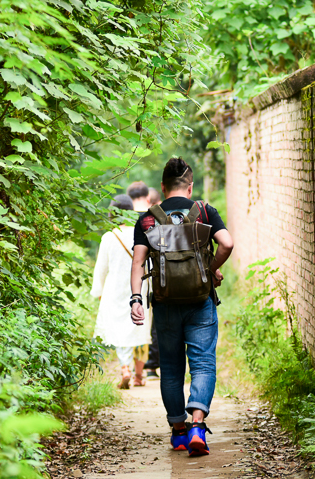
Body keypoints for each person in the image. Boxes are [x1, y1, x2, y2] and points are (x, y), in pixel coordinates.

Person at [129, 158, 234, 456]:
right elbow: (227, 244)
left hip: (164, 304)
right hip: (200, 302)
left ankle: (178, 431)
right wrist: (210, 270)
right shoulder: (203, 211)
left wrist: (136, 298)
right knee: (202, 362)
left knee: (172, 369)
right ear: (190, 186)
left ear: (162, 188)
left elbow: (138, 262)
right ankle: (198, 425)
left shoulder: (148, 219)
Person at [92, 194, 151, 389]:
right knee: (139, 327)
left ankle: (125, 367)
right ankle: (139, 375)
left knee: (120, 330)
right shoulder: (141, 233)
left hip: (115, 289)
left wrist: (98, 291)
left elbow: (101, 268)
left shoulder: (109, 237)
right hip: (139, 288)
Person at [127, 181, 161, 380]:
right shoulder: (151, 218)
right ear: (148, 197)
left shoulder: (123, 218)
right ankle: (149, 366)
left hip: (132, 277)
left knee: (133, 321)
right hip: (152, 277)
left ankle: (131, 367)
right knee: (153, 323)